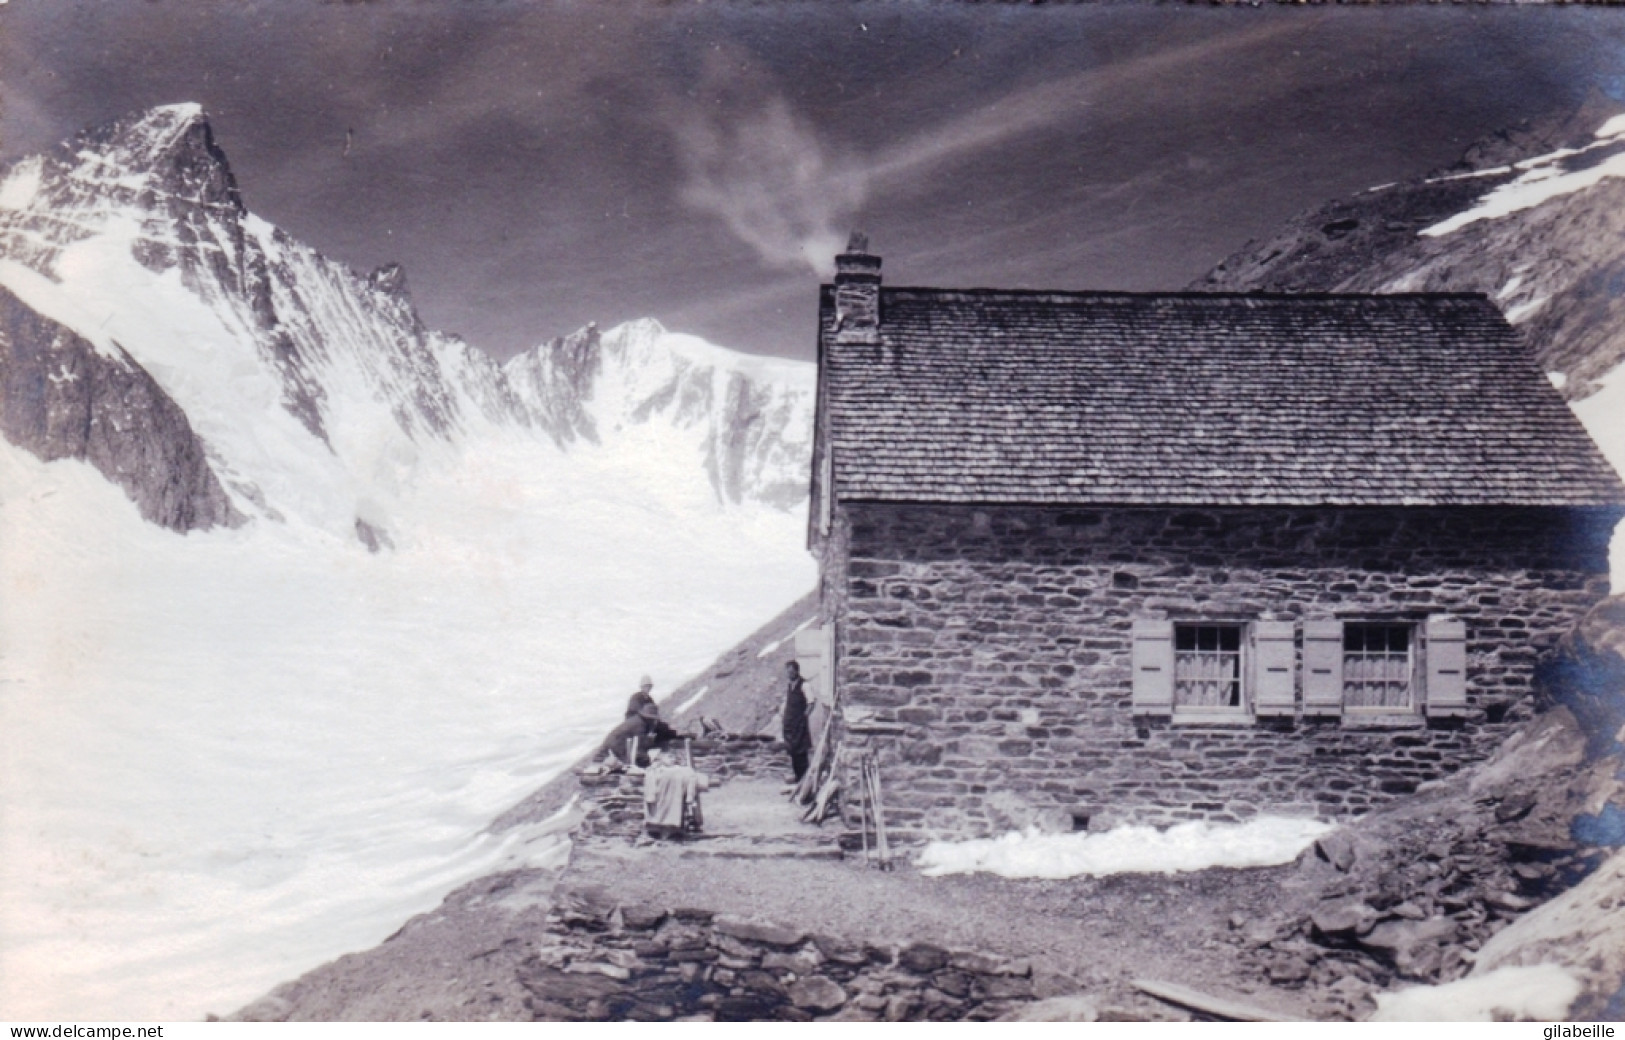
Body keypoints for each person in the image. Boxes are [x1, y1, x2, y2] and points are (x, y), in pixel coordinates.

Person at [782, 660, 813, 782]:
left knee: (801, 751)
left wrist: (804, 716)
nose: (789, 674)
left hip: (799, 724)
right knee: (793, 751)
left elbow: (811, 702)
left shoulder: (805, 685)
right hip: (790, 724)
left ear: (796, 671)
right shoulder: (790, 685)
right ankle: (797, 776)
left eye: (791, 671)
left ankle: (804, 778)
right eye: (787, 672)